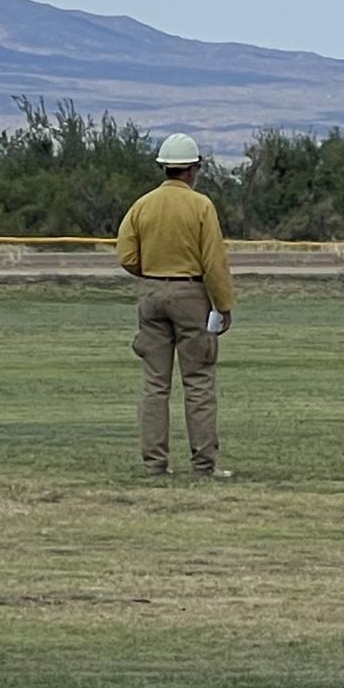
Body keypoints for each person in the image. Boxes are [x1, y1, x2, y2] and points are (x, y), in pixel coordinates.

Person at [116, 133, 236, 479]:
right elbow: (213, 261)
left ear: (165, 168)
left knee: (155, 384)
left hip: (151, 294)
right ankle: (203, 464)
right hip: (191, 295)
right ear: (192, 170)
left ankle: (154, 464)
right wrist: (223, 305)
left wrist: (150, 275)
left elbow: (126, 254)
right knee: (198, 381)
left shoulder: (142, 205)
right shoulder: (201, 206)